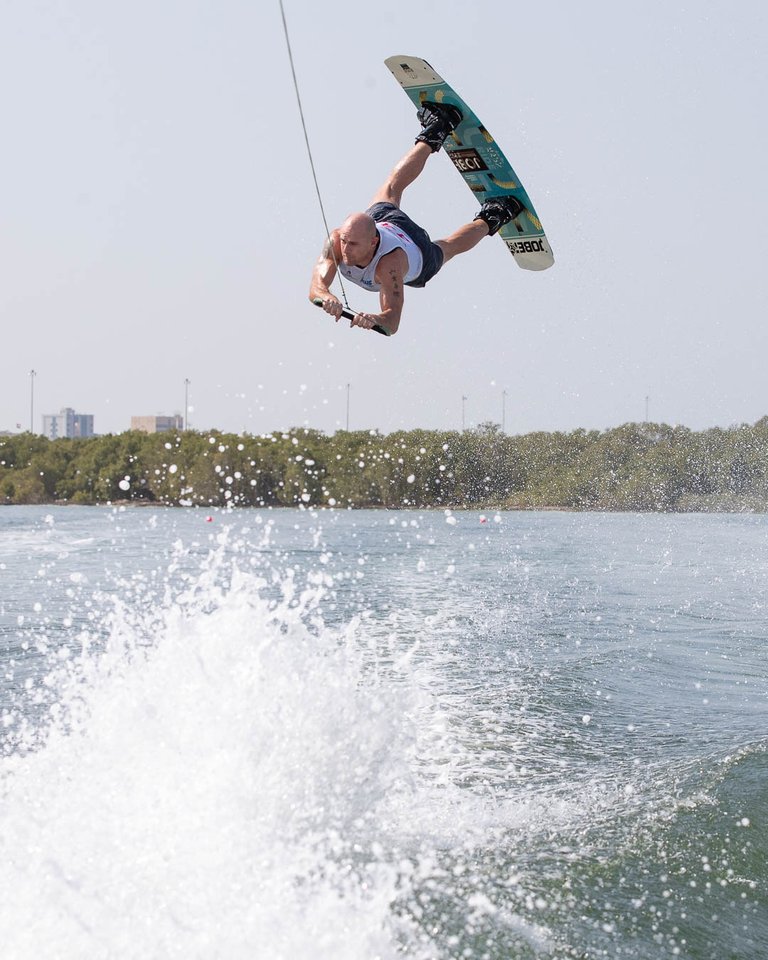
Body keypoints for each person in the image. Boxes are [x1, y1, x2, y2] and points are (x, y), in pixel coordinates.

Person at [309, 102, 525, 336]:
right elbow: (315, 288)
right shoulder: (338, 242)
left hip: (414, 248)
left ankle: (492, 211)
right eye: (344, 240)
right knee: (392, 188)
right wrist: (327, 297)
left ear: (372, 242)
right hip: (386, 224)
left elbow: (392, 321)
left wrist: (376, 318)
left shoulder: (389, 265)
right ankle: (495, 209)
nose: (345, 248)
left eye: (352, 244)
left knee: (447, 247)